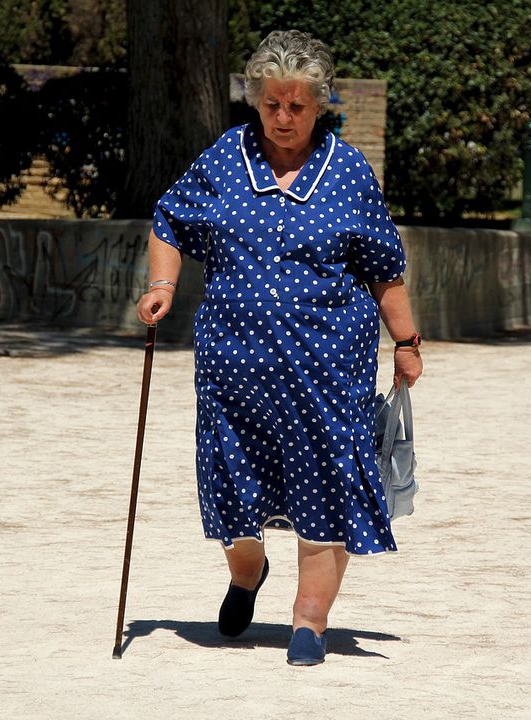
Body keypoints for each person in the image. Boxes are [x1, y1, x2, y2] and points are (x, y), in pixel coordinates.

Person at [136, 29, 422, 666]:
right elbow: (169, 220)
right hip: (232, 369)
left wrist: (405, 341)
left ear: (319, 104)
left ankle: (308, 622)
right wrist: (163, 285)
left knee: (325, 487)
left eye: (298, 105)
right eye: (272, 104)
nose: (284, 117)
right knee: (234, 496)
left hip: (328, 372)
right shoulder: (222, 159)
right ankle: (247, 572)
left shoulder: (347, 172)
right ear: (254, 101)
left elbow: (384, 266)